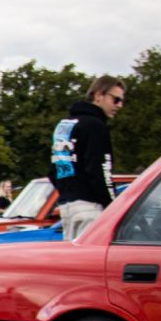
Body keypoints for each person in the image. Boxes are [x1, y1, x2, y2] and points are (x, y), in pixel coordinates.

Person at [50, 75, 124, 240]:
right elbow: (100, 172)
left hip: (67, 208)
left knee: (72, 255)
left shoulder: (64, 124)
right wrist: (113, 206)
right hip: (90, 207)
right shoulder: (96, 126)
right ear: (99, 95)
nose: (119, 105)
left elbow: (54, 170)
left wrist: (68, 192)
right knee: (92, 256)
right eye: (116, 100)